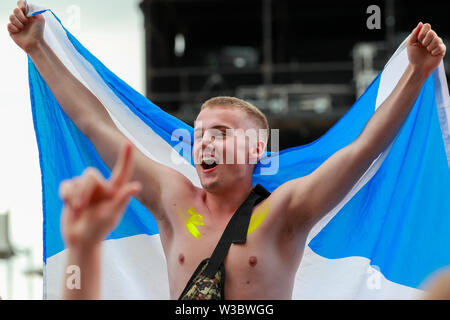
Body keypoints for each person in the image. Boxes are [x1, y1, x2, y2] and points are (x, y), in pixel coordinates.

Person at [7, 0, 446, 299]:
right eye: (198, 134)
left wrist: (416, 73)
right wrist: (39, 49)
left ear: (257, 148)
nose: (203, 142)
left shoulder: (285, 211)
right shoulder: (173, 199)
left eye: (219, 132)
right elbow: (93, 122)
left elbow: (364, 147)